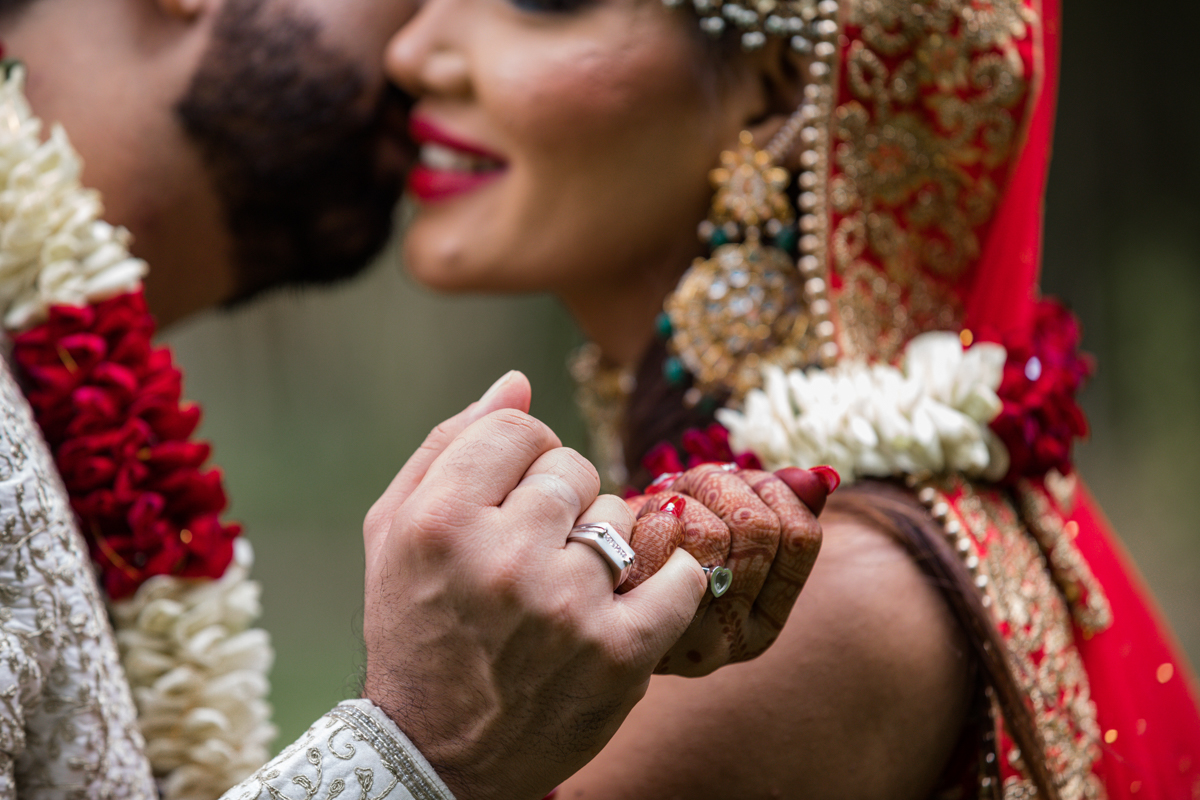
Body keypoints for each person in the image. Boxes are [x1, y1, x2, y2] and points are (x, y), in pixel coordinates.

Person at [0, 1, 832, 798]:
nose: (410, 51)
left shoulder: (818, 597)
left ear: (778, 89)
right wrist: (419, 749)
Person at [383, 0, 1200, 797]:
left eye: (543, 3)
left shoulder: (801, 607)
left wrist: (423, 731)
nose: (413, 51)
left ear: (776, 85)